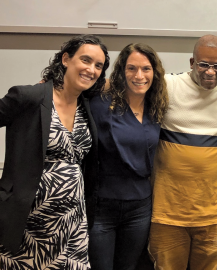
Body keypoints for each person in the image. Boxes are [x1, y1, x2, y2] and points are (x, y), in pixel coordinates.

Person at [0, 34, 110, 269]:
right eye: (85, 60)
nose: (91, 70)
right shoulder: (30, 97)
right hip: (25, 228)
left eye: (99, 65)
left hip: (71, 228)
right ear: (66, 59)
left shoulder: (87, 104)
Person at [148, 35, 217, 270]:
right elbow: (125, 84)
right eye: (203, 64)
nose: (210, 72)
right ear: (191, 62)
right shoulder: (168, 85)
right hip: (167, 211)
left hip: (212, 214)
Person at [86, 43, 168, 270]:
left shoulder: (157, 107)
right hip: (102, 208)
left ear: (155, 72)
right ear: (122, 71)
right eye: (131, 68)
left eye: (146, 68)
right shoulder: (99, 103)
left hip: (140, 208)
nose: (139, 75)